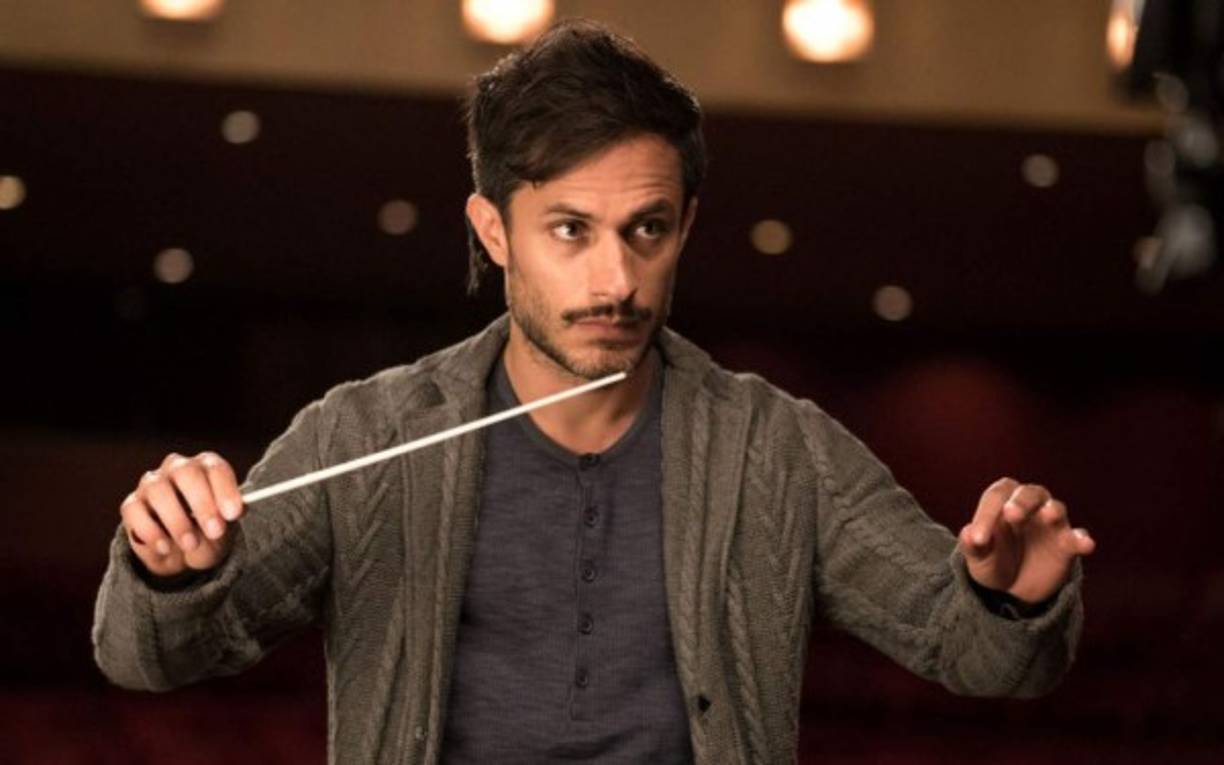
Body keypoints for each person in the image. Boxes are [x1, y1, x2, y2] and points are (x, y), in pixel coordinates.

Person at [92, 18, 1096, 765]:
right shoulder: (370, 430)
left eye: (645, 231)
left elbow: (974, 651)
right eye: (569, 230)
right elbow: (148, 657)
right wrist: (172, 568)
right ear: (493, 233)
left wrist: (1015, 597)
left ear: (685, 228)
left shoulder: (777, 447)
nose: (615, 282)